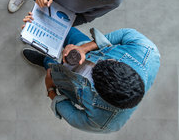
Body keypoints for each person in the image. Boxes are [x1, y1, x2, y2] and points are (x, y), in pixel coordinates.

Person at [20, 12, 160, 133]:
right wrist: (84, 49)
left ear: (101, 93)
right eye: (107, 60)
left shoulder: (105, 123)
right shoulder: (148, 52)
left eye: (94, 75)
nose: (95, 64)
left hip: (67, 81)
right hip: (84, 47)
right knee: (65, 31)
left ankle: (45, 62)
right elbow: (124, 34)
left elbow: (73, 116)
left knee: (51, 69)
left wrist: (50, 89)